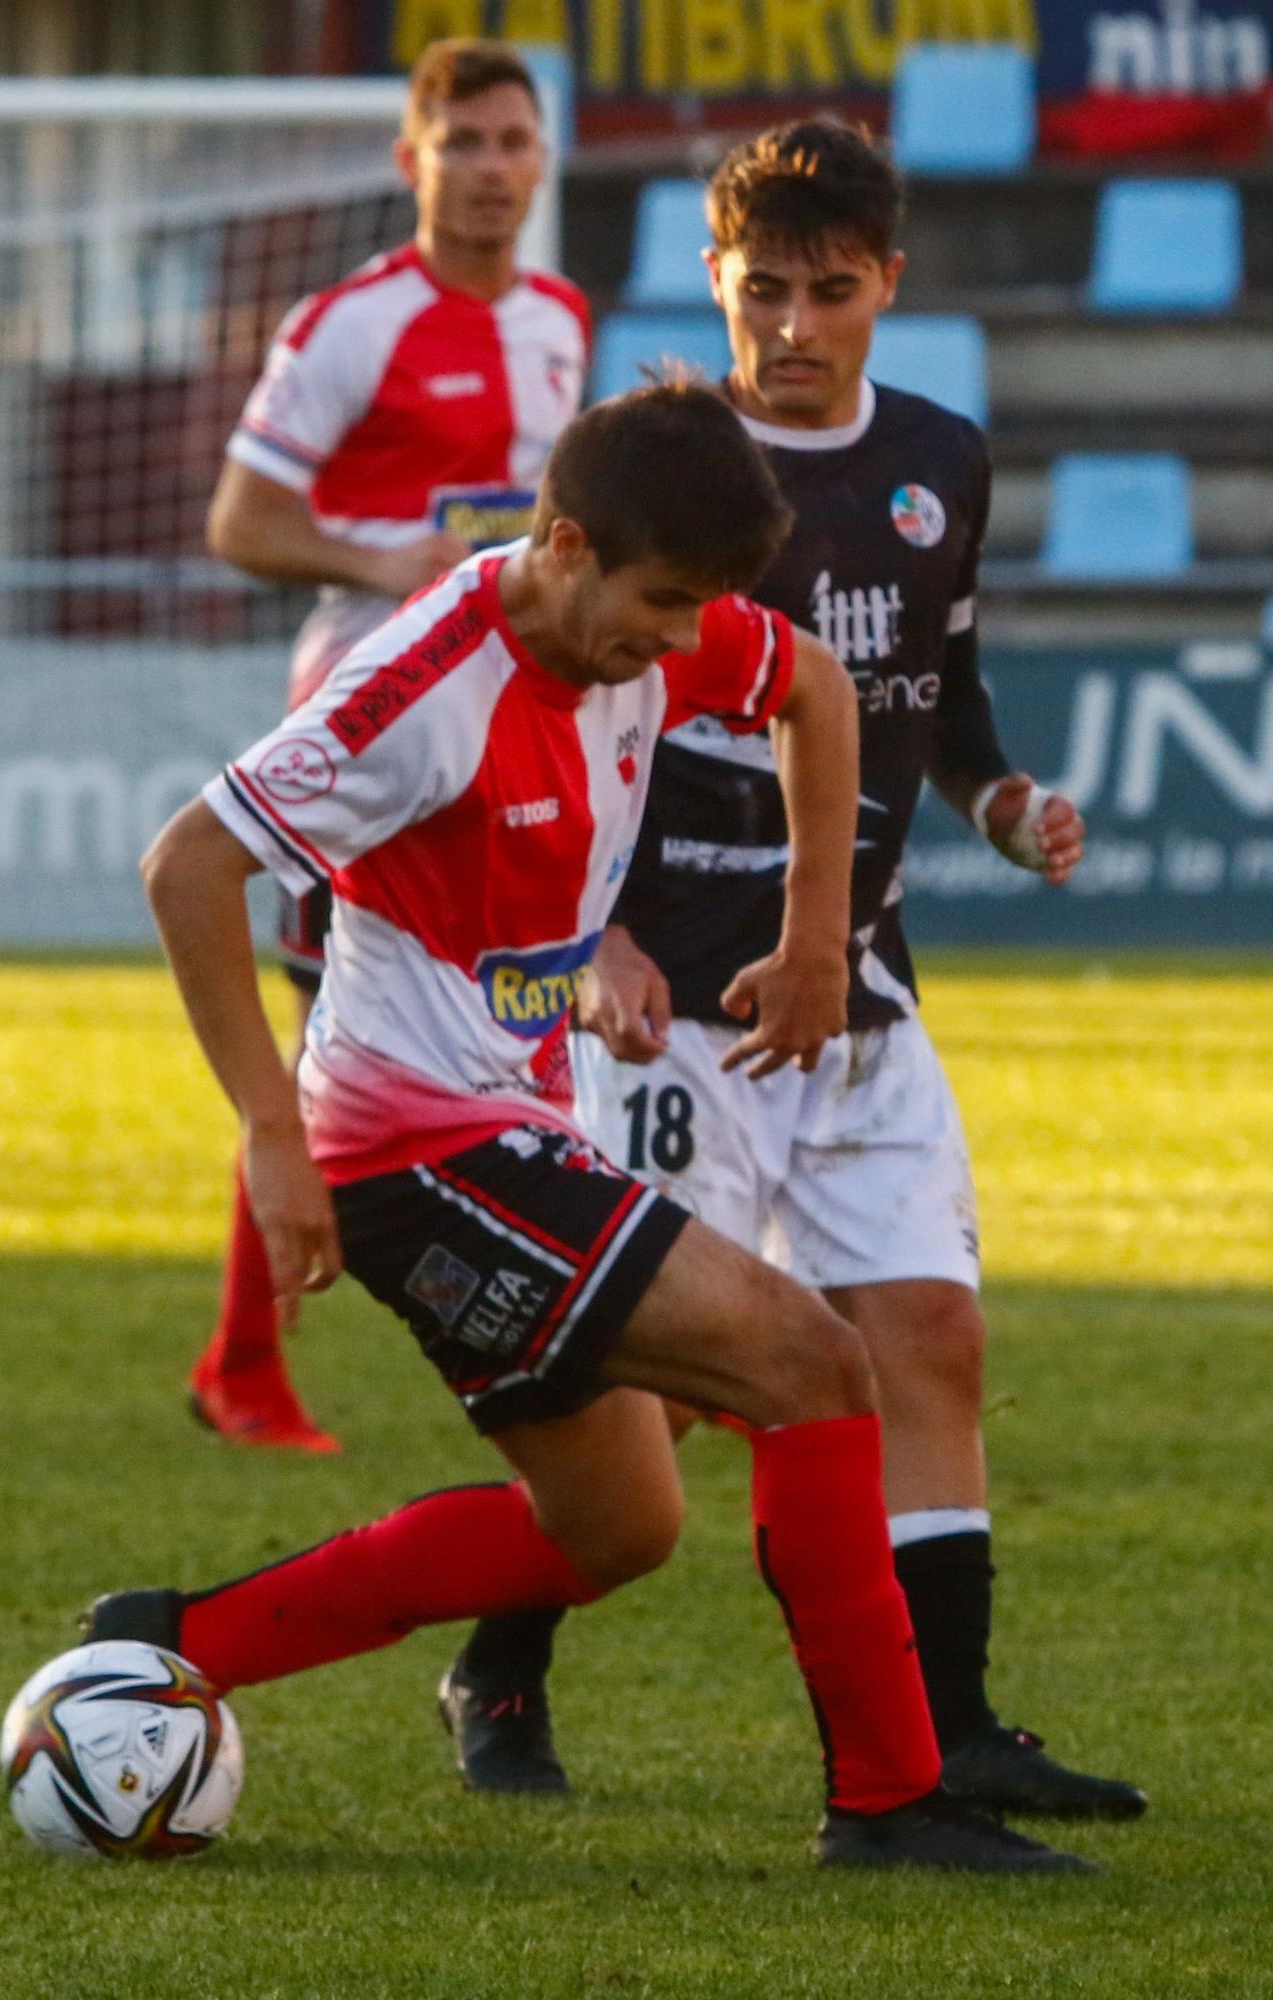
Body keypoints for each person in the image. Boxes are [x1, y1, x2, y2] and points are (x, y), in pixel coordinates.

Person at [88, 382, 1094, 1874]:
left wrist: (816, 935)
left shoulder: (641, 621)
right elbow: (187, 868)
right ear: (562, 545)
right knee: (813, 1360)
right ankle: (890, 1802)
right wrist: (268, 1133)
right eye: (665, 606)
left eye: (704, 611)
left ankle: (170, 1643)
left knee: (617, 1526)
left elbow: (813, 683)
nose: (685, 646)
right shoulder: (419, 687)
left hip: (513, 1136)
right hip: (416, 1157)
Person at [440, 119, 1147, 1826]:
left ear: (888, 287)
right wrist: (585, 934)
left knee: (930, 1338)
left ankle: (952, 1722)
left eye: (833, 292)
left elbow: (939, 695)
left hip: (857, 987)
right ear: (713, 283)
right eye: (764, 290)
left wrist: (998, 799)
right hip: (672, 996)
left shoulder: (939, 465)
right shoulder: (643, 469)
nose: (796, 326)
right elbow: (545, 709)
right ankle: (498, 1653)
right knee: (653, 1409)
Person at [192, 36, 589, 1450]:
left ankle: (610, 1296)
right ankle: (244, 1358)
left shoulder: (558, 317)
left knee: (528, 980)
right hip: (365, 705)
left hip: (507, 710)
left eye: (512, 143)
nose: (491, 170)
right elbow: (241, 522)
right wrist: (389, 557)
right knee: (331, 1018)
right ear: (409, 158)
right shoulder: (348, 322)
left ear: (542, 160)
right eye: (463, 142)